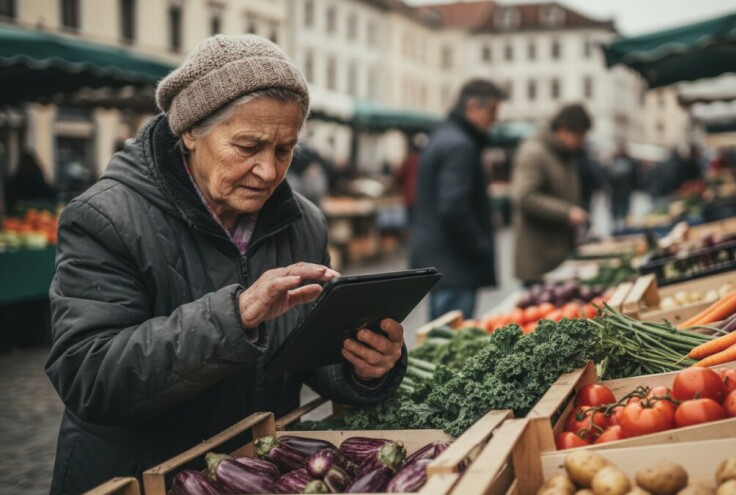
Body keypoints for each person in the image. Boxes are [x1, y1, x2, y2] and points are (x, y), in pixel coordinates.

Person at [44, 35, 406, 494]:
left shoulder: (304, 224)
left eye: (283, 149)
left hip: (248, 479)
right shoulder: (105, 218)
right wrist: (236, 316)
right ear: (191, 131)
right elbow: (89, 376)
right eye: (247, 146)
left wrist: (363, 365)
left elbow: (310, 357)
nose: (269, 172)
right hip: (139, 479)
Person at [409, 79, 505, 319]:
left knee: (442, 339)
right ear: (473, 106)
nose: (495, 120)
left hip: (443, 261)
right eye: (492, 111)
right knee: (451, 345)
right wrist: (479, 246)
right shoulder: (460, 145)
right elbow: (453, 208)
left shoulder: (445, 137)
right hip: (454, 264)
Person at [511, 104, 592, 284]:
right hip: (539, 260)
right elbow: (524, 196)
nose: (581, 143)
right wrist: (567, 212)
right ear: (562, 129)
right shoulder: (535, 152)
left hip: (558, 255)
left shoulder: (562, 154)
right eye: (579, 136)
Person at [608, 143, 637, 232]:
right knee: (617, 213)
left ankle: (623, 228)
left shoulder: (627, 162)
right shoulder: (615, 161)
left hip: (623, 192)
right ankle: (617, 229)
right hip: (617, 192)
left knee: (623, 212)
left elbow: (634, 177)